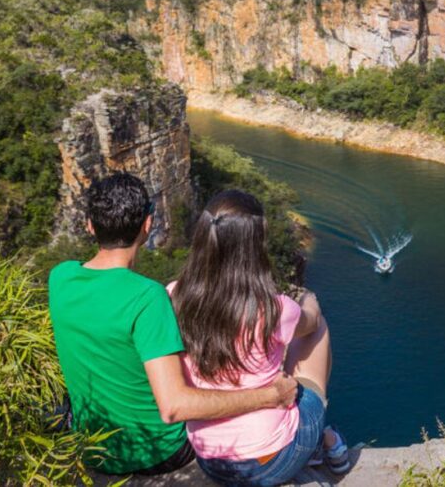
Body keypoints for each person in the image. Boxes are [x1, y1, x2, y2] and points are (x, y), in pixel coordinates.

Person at [48, 173, 298, 476]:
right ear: (147, 225)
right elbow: (174, 406)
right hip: (156, 452)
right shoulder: (147, 297)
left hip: (91, 448)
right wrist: (270, 396)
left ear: (89, 224)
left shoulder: (60, 277)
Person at [169, 189, 350, 487]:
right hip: (273, 460)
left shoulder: (173, 297)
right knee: (316, 329)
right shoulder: (273, 308)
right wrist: (306, 297)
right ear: (254, 246)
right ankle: (323, 439)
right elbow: (312, 320)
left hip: (210, 460)